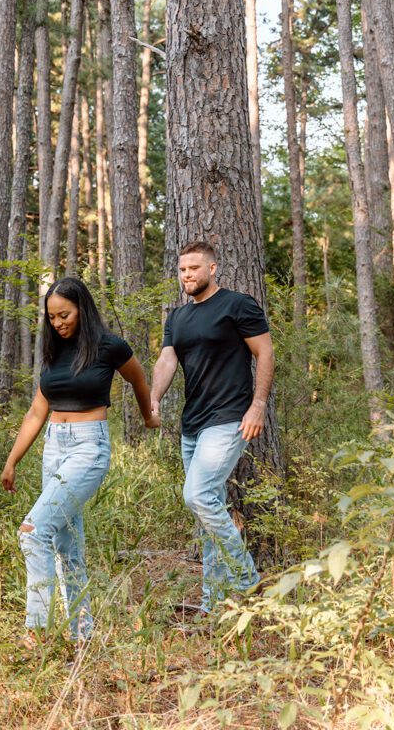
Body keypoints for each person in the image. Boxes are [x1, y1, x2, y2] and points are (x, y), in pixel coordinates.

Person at [1, 277, 159, 646]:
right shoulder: (54, 352)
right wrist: (12, 462)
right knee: (66, 546)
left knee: (33, 532)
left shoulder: (109, 346)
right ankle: (81, 634)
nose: (58, 323)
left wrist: (149, 415)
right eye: (52, 317)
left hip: (89, 447)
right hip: (54, 447)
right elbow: (36, 413)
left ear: (82, 309)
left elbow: (138, 381)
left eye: (65, 315)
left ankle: (36, 631)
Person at [150, 241, 274, 613]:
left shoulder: (237, 304)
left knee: (199, 496)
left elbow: (265, 352)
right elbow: (167, 359)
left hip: (230, 417)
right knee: (210, 509)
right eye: (182, 270)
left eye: (194, 268)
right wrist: (154, 397)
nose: (187, 275)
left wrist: (259, 405)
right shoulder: (178, 317)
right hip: (193, 424)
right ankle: (213, 605)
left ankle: (247, 579)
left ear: (212, 269)